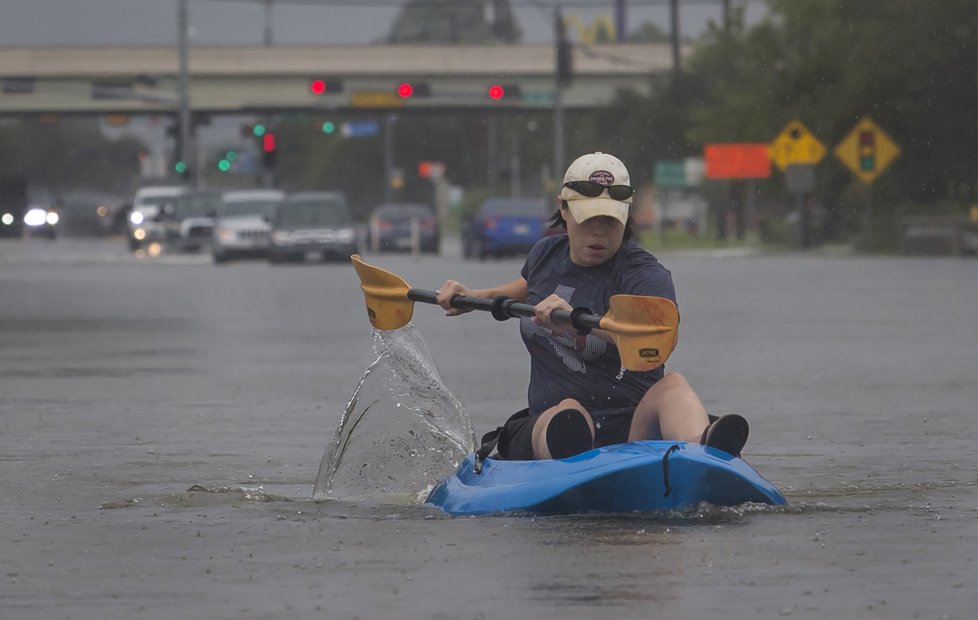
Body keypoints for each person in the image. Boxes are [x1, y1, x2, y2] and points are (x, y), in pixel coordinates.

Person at [435, 152, 748, 461]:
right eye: (589, 219)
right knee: (568, 410)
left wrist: (573, 321)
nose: (599, 231)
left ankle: (704, 447)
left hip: (633, 428)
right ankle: (569, 453)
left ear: (625, 217)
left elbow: (659, 338)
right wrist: (470, 296)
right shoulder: (546, 254)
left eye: (610, 221)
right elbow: (519, 292)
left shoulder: (644, 275)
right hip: (557, 423)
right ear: (564, 209)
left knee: (674, 386)